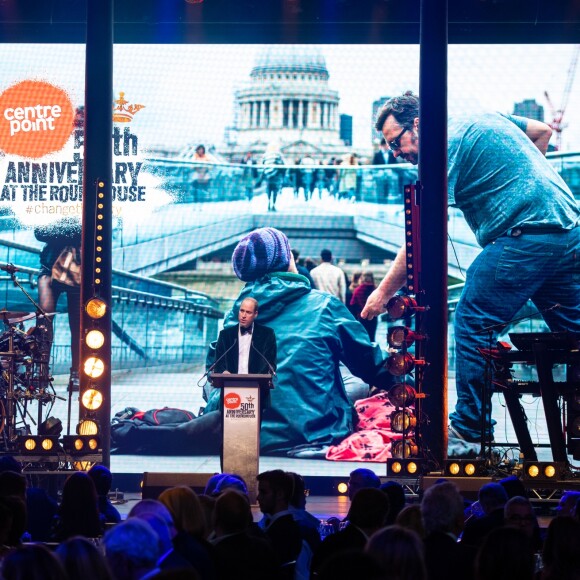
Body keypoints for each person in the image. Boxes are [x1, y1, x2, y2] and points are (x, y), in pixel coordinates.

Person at [362, 91, 580, 456]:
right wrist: (516, 185)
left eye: (396, 142)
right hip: (568, 233)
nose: (395, 153)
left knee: (473, 320)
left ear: (418, 124)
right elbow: (542, 132)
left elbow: (419, 236)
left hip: (526, 236)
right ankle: (578, 428)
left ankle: (469, 430)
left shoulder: (441, 148)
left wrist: (382, 294)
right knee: (575, 334)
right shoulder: (481, 116)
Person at [203, 227, 394, 455]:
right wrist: (416, 385)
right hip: (314, 433)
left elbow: (213, 374)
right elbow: (371, 364)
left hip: (243, 434)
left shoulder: (234, 316)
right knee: (357, 383)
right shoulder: (324, 306)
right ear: (288, 260)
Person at [34, 216, 82, 391]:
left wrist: (56, 231)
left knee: (77, 326)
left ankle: (76, 374)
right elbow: (39, 232)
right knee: (43, 319)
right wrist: (69, 233)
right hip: (48, 267)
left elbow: (86, 231)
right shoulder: (51, 205)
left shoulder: (86, 201)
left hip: (76, 269)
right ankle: (41, 372)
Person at [213, 297, 276, 376]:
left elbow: (271, 364)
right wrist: (223, 372)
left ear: (255, 314)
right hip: (230, 385)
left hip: (257, 385)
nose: (243, 315)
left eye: (248, 312)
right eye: (242, 311)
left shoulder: (267, 335)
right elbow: (218, 364)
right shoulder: (225, 335)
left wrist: (257, 379)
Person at [350, 272, 378, 341]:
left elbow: (352, 304)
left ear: (363, 279)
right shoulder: (376, 290)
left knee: (363, 337)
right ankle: (372, 350)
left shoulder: (357, 290)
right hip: (373, 317)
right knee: (372, 337)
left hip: (361, 316)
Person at [260, 142, 286, 212]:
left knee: (268, 190)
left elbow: (262, 166)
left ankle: (268, 202)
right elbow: (282, 166)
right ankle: (273, 205)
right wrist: (283, 176)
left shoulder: (265, 155)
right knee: (275, 190)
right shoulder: (278, 155)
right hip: (276, 176)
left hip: (267, 176)